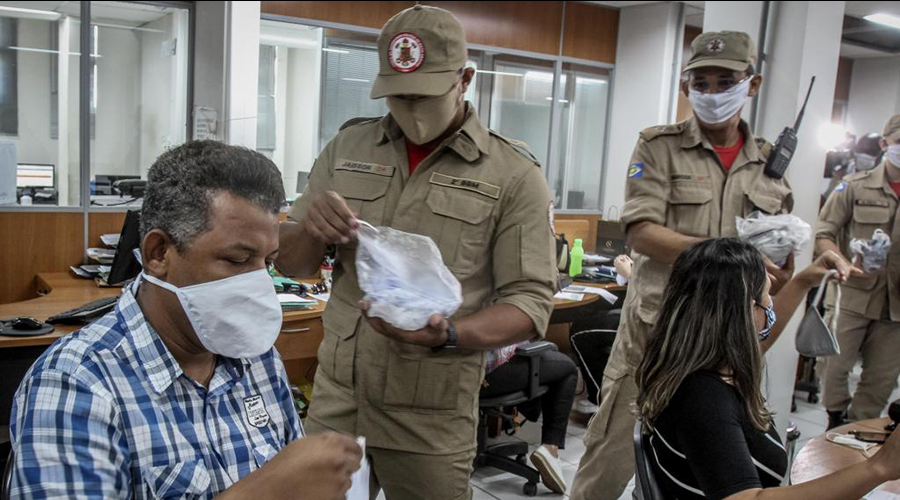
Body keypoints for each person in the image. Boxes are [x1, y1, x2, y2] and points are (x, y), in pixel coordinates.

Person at [276, 5, 557, 500]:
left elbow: (531, 302)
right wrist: (310, 229)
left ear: (465, 78)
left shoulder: (513, 174)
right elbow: (292, 266)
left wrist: (450, 334)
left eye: (424, 94)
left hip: (431, 410)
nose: (411, 109)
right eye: (398, 95)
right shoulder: (348, 147)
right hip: (339, 398)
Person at [8, 141, 362, 500]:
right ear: (158, 253)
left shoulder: (256, 357)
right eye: (238, 260)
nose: (259, 283)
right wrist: (262, 493)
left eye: (267, 262)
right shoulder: (76, 385)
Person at [570, 30, 795, 500]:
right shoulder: (658, 146)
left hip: (731, 343)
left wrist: (782, 261)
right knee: (609, 454)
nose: (712, 93)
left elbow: (777, 251)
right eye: (702, 82)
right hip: (656, 333)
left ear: (751, 85)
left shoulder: (768, 162)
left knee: (719, 462)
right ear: (685, 85)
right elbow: (641, 230)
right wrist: (728, 255)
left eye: (725, 81)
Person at [635, 237, 900, 500]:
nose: (772, 304)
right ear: (747, 312)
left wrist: (803, 281)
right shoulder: (704, 399)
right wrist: (878, 468)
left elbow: (751, 343)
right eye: (767, 296)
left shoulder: (694, 365)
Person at [817, 113, 900, 429]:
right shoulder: (852, 185)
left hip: (896, 309)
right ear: (884, 144)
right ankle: (834, 421)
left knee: (881, 381)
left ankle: (857, 433)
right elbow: (824, 233)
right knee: (833, 369)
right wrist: (840, 260)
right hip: (851, 297)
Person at [482, 342, 578, 494]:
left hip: (454, 375)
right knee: (567, 368)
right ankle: (550, 448)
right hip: (489, 374)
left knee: (544, 355)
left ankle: (529, 411)